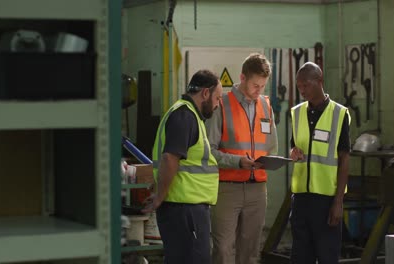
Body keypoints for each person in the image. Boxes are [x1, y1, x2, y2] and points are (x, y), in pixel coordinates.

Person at [143, 69, 223, 264]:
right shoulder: (185, 116)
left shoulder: (186, 115)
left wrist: (160, 192)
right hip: (186, 210)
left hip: (185, 209)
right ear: (205, 93)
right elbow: (170, 159)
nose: (218, 104)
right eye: (217, 98)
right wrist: (160, 197)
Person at [206, 53, 278, 264]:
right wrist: (237, 162)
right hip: (227, 188)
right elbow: (209, 151)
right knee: (223, 250)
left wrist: (273, 160)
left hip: (258, 189)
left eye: (263, 86)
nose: (259, 91)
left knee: (250, 251)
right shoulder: (223, 104)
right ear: (243, 78)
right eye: (256, 85)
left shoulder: (265, 105)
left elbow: (271, 146)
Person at [289, 62, 351, 264]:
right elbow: (294, 147)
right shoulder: (296, 113)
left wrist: (338, 202)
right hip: (300, 200)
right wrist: (294, 152)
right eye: (299, 86)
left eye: (306, 85)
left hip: (326, 201)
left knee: (327, 256)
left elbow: (344, 159)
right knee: (300, 257)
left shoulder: (339, 114)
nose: (302, 90)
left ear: (320, 81)